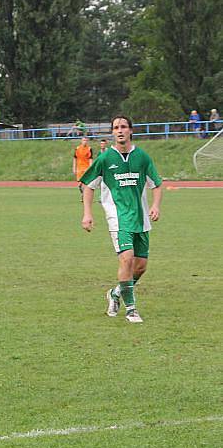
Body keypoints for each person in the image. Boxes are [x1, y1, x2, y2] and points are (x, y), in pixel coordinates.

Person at [80, 115, 163, 324]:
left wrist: (155, 205)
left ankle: (116, 293)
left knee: (141, 266)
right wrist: (87, 214)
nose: (120, 130)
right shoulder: (105, 158)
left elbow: (157, 184)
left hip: (141, 219)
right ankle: (131, 310)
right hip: (118, 219)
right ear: (112, 132)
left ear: (131, 131)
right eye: (116, 127)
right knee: (127, 258)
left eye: (123, 127)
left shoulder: (142, 157)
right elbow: (88, 185)